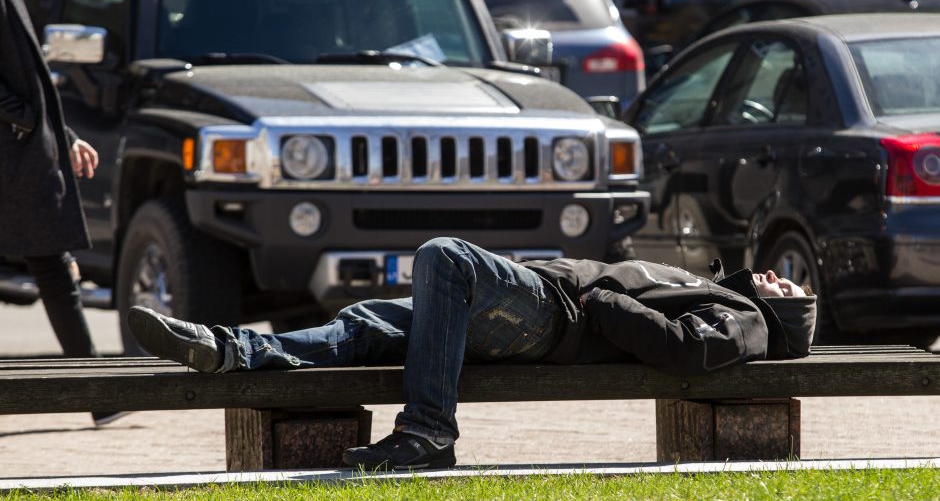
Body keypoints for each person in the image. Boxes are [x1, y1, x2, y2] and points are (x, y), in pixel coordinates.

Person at [129, 236, 816, 469]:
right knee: (367, 321)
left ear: (783, 310)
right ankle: (228, 348)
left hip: (558, 319)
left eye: (789, 286)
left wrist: (603, 299)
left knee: (445, 258)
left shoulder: (747, 319)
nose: (775, 276)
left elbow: (685, 351)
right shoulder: (709, 284)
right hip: (548, 304)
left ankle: (429, 429)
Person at [0, 0, 123, 426]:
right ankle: (98, 392)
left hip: (25, 153)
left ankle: (98, 392)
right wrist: (28, 123)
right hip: (14, 156)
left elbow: (28, 78)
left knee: (55, 266)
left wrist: (62, 134)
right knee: (53, 265)